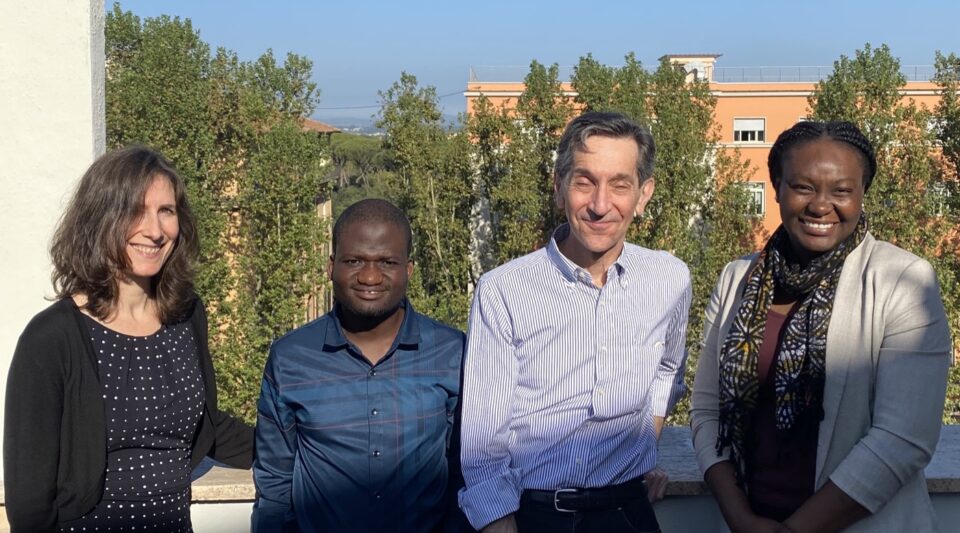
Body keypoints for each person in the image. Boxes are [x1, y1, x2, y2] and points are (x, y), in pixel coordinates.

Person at [690, 120, 952, 532]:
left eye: (842, 191)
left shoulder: (902, 280)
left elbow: (903, 439)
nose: (821, 205)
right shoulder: (736, 278)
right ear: (776, 186)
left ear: (862, 193)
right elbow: (706, 410)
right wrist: (739, 518)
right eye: (803, 187)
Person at [459, 111, 693, 533]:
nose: (601, 205)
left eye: (620, 184)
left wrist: (644, 444)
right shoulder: (504, 290)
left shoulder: (670, 278)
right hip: (536, 516)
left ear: (643, 195)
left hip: (629, 512)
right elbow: (482, 441)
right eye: (585, 181)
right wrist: (500, 524)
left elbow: (668, 367)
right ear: (559, 187)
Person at [3, 147, 254, 532]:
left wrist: (301, 444)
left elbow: (206, 426)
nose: (154, 231)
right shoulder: (52, 338)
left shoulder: (186, 317)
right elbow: (30, 502)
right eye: (135, 210)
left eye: (165, 211)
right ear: (101, 219)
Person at [251, 198, 465, 532]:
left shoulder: (452, 353)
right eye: (354, 260)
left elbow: (464, 474)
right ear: (331, 266)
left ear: (408, 269)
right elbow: (275, 485)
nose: (369, 276)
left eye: (386, 262)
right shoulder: (291, 358)